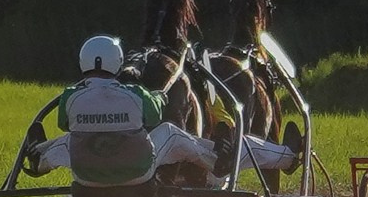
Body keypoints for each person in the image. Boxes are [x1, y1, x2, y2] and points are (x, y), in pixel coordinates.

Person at [25, 36, 228, 185]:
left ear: (82, 62)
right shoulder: (136, 93)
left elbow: (65, 124)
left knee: (70, 140)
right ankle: (216, 161)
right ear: (118, 62)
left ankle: (39, 159)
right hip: (138, 173)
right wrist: (157, 97)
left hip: (85, 176)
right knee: (171, 132)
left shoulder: (70, 96)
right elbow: (154, 117)